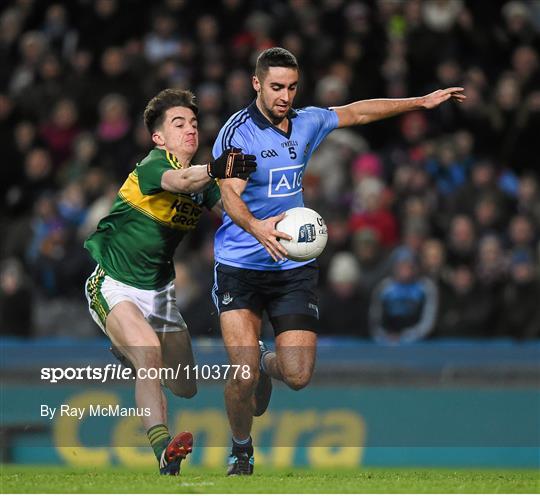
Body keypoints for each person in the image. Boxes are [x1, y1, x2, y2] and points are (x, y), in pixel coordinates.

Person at [211, 47, 465, 475]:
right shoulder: (239, 134)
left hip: (291, 266)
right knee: (241, 374)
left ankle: (263, 364)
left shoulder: (306, 122)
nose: (285, 96)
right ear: (256, 84)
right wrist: (256, 227)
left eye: (291, 87)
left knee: (298, 374)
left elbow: (359, 113)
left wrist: (419, 102)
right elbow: (228, 192)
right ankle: (241, 449)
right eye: (276, 87)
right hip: (240, 263)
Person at [83, 88, 256, 475]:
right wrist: (215, 169)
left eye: (194, 123)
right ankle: (164, 452)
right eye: (179, 124)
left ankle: (130, 354)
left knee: (184, 386)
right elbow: (180, 181)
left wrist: (267, 223)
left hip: (160, 294)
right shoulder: (151, 166)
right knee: (147, 355)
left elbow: (235, 215)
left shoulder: (205, 184)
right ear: (159, 137)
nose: (190, 130)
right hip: (114, 283)